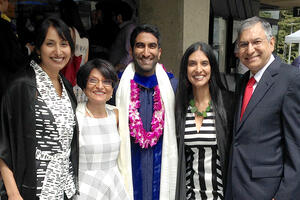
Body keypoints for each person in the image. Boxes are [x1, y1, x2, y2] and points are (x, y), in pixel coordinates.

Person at [0, 17, 79, 200]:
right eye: (50, 44)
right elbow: (3, 142)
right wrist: (13, 194)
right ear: (37, 48)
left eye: (64, 44)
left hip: (64, 187)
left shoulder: (66, 86)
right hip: (32, 188)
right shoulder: (22, 86)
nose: (58, 51)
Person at [225, 16, 300, 200]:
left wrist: (284, 196)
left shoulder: (290, 79)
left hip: (267, 193)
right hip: (236, 189)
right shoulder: (243, 82)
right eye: (243, 44)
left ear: (271, 43)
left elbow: (297, 147)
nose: (250, 50)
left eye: (256, 42)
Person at [115, 24, 178, 200]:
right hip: (130, 168)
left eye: (152, 46)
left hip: (161, 169)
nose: (146, 52)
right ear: (131, 49)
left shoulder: (173, 87)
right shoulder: (117, 87)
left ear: (159, 52)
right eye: (140, 45)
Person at [175, 42, 234, 200]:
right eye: (192, 64)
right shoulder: (181, 106)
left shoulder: (228, 103)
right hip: (190, 195)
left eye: (204, 63)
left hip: (221, 195)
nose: (198, 69)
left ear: (212, 68)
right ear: (185, 69)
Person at [75, 58, 129, 200]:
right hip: (85, 188)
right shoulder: (76, 116)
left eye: (106, 82)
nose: (100, 86)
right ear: (84, 85)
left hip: (114, 186)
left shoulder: (116, 115)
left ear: (112, 88)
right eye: (93, 80)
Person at [0, 0, 30, 103]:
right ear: (2, 2)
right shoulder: (3, 26)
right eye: (10, 2)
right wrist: (28, 50)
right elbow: (13, 59)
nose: (12, 6)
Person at [109, 1, 136, 72]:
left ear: (119, 17)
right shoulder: (125, 28)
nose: (112, 18)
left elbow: (130, 53)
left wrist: (117, 68)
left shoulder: (129, 29)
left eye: (113, 16)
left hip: (122, 72)